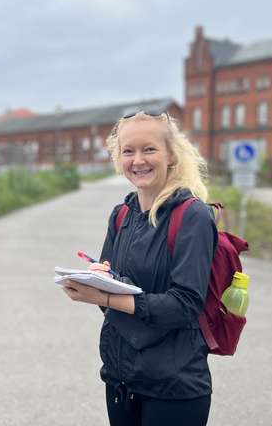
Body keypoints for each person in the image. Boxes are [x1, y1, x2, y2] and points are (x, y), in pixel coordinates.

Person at [61, 110, 218, 426]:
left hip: (173, 387)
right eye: (128, 151)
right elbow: (112, 297)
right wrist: (99, 281)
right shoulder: (121, 215)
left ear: (171, 154)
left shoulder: (193, 216)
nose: (138, 160)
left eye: (149, 149)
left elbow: (185, 306)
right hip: (121, 378)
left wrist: (104, 297)